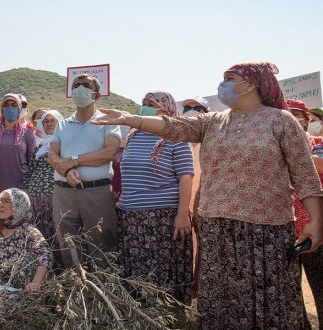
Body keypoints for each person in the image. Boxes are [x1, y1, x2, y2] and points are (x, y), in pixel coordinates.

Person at [92, 62, 323, 328]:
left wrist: (315, 221)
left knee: (269, 303)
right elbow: (172, 126)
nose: (223, 84)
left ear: (252, 83)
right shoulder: (212, 121)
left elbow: (306, 177)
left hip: (265, 231)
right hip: (217, 228)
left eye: (230, 78)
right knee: (221, 300)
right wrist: (129, 119)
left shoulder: (281, 121)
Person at [117, 91, 194, 303]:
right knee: (136, 269)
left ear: (166, 109)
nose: (145, 107)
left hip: (161, 218)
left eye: (151, 103)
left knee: (159, 270)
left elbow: (186, 177)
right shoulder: (134, 135)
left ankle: (166, 314)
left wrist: (182, 213)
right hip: (131, 216)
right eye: (143, 103)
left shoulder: (175, 136)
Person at [47, 74, 121, 269]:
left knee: (102, 246)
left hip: (96, 193)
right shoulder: (62, 124)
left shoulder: (108, 122)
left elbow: (110, 152)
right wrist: (65, 171)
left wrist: (73, 161)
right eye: (76, 85)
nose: (80, 88)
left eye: (86, 85)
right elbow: (52, 154)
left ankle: (103, 294)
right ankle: (75, 292)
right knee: (68, 245)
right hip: (63, 192)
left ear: (96, 95)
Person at [0, 188, 53, 296]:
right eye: (0, 200)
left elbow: (46, 256)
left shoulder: (29, 231)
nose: (1, 205)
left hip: (21, 291)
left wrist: (35, 283)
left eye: (7, 201)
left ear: (19, 205)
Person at [286, 99, 323, 328]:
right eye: (286, 114)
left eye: (296, 115)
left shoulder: (318, 143)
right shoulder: (273, 149)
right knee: (291, 295)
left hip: (315, 229)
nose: (291, 119)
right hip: (284, 230)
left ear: (307, 120)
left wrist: (298, 155)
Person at [0, 94, 36, 227]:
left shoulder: (27, 134)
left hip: (20, 189)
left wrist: (27, 188)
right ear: (1, 110)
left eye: (13, 105)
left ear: (19, 109)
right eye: (6, 105)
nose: (10, 108)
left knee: (17, 227)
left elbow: (32, 162)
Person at [21, 109, 63, 268]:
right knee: (39, 235)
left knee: (55, 234)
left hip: (54, 197)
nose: (49, 123)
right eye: (46, 121)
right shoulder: (40, 147)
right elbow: (30, 170)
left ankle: (59, 272)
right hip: (34, 198)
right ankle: (42, 272)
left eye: (53, 120)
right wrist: (25, 189)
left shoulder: (63, 144)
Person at [181, 96, 210, 298]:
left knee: (204, 252)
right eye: (187, 109)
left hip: (205, 206)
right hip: (180, 206)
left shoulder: (212, 140)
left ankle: (201, 293)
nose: (191, 112)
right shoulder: (175, 140)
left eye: (197, 108)